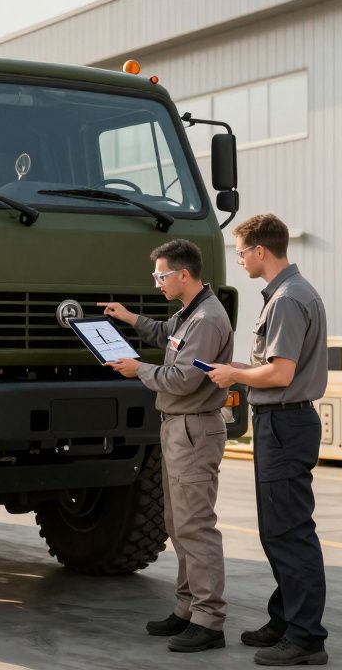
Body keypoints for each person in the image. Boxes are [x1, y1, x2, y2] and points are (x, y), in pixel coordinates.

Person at [207, 214, 329, 667]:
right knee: (276, 529)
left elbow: (279, 373)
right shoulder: (289, 294)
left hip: (284, 422)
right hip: (280, 421)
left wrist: (234, 374)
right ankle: (285, 619)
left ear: (261, 250)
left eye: (240, 252)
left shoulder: (287, 299)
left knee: (289, 531)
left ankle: (306, 638)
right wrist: (241, 370)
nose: (238, 260)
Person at [99, 239, 233, 654]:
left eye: (161, 275)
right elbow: (165, 335)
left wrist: (137, 368)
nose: (156, 282)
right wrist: (128, 318)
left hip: (194, 428)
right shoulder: (190, 313)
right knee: (177, 524)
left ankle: (209, 621)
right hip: (178, 426)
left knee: (196, 526)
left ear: (184, 275)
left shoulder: (208, 320)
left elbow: (181, 379)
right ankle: (187, 609)